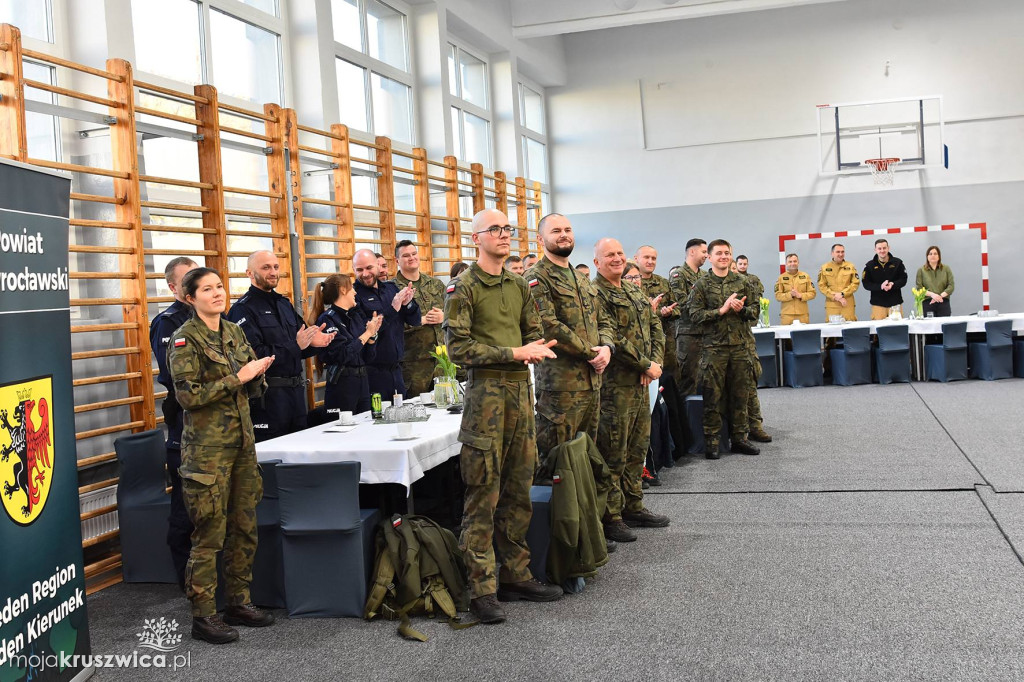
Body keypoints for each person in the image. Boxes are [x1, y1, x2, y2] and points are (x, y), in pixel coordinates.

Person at [443, 208, 562, 625]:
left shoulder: (518, 284)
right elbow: (459, 350)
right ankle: (481, 588)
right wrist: (514, 352)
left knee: (518, 489)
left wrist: (536, 345)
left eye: (508, 229)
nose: (504, 235)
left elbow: (532, 331)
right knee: (483, 493)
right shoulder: (462, 288)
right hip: (486, 396)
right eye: (495, 230)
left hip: (520, 393)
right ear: (476, 238)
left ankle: (515, 574)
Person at [168, 267, 276, 644]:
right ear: (190, 297)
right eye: (208, 289)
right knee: (209, 533)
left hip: (242, 446)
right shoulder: (184, 340)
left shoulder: (233, 331)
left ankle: (239, 602)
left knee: (244, 527)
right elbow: (188, 397)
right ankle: (203, 614)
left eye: (220, 287)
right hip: (207, 453)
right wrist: (240, 377)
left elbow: (250, 385)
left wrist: (259, 373)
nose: (218, 294)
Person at [527, 213, 614, 480]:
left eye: (567, 229)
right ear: (541, 239)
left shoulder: (581, 278)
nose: (563, 234)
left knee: (588, 457)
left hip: (592, 383)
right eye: (556, 231)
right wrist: (591, 352)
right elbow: (549, 325)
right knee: (557, 462)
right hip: (560, 388)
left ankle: (588, 519)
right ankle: (560, 521)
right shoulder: (536, 277)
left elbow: (603, 318)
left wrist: (607, 347)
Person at [593, 240, 670, 541]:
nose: (616, 259)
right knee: (614, 450)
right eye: (609, 255)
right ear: (597, 262)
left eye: (620, 254)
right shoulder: (595, 293)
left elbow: (655, 326)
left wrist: (656, 364)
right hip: (615, 386)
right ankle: (611, 516)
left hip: (642, 382)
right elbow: (610, 337)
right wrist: (643, 365)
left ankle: (633, 505)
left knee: (637, 448)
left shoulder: (634, 290)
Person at [227, 251, 334, 441]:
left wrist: (316, 343)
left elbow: (300, 346)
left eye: (275, 267)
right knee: (273, 456)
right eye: (266, 267)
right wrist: (296, 345)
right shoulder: (242, 309)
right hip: (268, 395)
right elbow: (255, 356)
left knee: (301, 449)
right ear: (250, 273)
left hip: (295, 393)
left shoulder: (284, 303)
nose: (273, 272)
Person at [149, 256, 198, 589]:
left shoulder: (211, 318)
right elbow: (175, 375)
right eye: (187, 281)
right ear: (172, 287)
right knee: (185, 503)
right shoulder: (168, 322)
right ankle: (186, 579)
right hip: (185, 421)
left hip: (215, 422)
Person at [687, 239, 761, 459]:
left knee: (741, 394)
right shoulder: (701, 285)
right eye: (719, 253)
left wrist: (741, 309)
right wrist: (720, 310)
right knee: (713, 395)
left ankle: (740, 438)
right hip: (714, 349)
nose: (724, 257)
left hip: (739, 347)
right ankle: (712, 441)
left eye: (727, 253)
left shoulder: (743, 281)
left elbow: (755, 311)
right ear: (709, 257)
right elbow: (694, 315)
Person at [306, 274, 383, 414]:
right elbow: (343, 354)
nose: (355, 292)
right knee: (343, 430)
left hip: (362, 381)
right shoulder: (328, 319)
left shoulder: (354, 316)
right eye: (352, 288)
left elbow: (368, 357)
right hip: (342, 384)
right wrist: (366, 334)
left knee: (365, 425)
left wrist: (372, 336)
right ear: (342, 290)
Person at [635, 245, 684, 459]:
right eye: (646, 257)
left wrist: (666, 312)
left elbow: (679, 308)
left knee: (669, 396)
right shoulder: (629, 283)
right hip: (639, 349)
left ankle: (672, 445)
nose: (650, 261)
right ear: (636, 258)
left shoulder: (662, 283)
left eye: (654, 258)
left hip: (663, 347)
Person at [352, 248, 421, 399]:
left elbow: (415, 320)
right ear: (353, 270)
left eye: (369, 268)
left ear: (377, 266)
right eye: (359, 269)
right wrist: (393, 309)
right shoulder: (353, 296)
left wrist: (408, 304)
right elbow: (367, 330)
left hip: (397, 370)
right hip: (372, 372)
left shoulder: (391, 288)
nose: (365, 274)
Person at [391, 241, 447, 396]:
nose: (411, 258)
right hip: (413, 365)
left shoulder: (435, 284)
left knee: (445, 410)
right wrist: (420, 321)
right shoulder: (392, 288)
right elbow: (388, 326)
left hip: (441, 362)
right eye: (406, 255)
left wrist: (444, 316)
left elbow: (454, 313)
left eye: (414, 254)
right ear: (397, 261)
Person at [733, 256, 772, 444]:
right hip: (721, 347)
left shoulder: (746, 286)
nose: (734, 270)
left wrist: (741, 309)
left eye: (735, 267)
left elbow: (754, 313)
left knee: (750, 386)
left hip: (745, 342)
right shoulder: (711, 287)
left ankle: (755, 426)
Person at [669, 238, 708, 398]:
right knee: (688, 381)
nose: (707, 255)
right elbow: (683, 305)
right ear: (692, 251)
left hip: (707, 334)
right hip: (689, 336)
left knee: (705, 380)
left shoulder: (706, 276)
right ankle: (686, 421)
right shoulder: (679, 275)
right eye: (704, 252)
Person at [862, 239, 908, 320]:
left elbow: (903, 279)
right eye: (879, 248)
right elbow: (866, 284)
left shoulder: (898, 263)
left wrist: (893, 284)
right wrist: (880, 286)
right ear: (875, 250)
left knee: (897, 330)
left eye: (884, 248)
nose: (882, 251)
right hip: (878, 305)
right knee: (878, 331)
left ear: (888, 248)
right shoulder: (869, 266)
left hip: (895, 304)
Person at [817, 244, 860, 321]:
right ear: (832, 253)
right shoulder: (825, 267)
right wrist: (836, 297)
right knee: (832, 330)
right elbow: (822, 286)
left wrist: (842, 294)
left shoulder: (850, 266)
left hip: (847, 304)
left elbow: (855, 283)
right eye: (838, 252)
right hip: (832, 305)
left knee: (849, 329)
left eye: (842, 252)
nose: (840, 254)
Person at [774, 253, 817, 324]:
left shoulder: (805, 276)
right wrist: (790, 295)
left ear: (798, 262)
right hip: (787, 315)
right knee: (786, 335)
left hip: (802, 314)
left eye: (795, 261)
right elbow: (777, 296)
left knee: (803, 335)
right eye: (790, 262)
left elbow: (813, 293)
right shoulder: (781, 278)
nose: (792, 263)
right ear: (786, 264)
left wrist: (800, 295)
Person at [916, 245, 954, 317]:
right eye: (930, 254)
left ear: (939, 256)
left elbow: (951, 286)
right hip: (928, 303)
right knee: (929, 327)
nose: (933, 256)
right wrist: (932, 295)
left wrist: (939, 296)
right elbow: (919, 288)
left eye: (935, 253)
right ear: (927, 256)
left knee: (944, 325)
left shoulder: (946, 269)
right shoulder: (921, 270)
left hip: (943, 301)